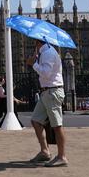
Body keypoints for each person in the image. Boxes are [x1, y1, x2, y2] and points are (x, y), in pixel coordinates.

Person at [26, 39, 68, 168]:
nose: (34, 46)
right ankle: (45, 151)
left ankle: (62, 157)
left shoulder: (49, 53)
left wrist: (33, 64)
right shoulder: (44, 53)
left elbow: (46, 73)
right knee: (36, 121)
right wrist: (36, 59)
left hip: (53, 92)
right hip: (46, 93)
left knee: (56, 125)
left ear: (38, 43)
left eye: (34, 43)